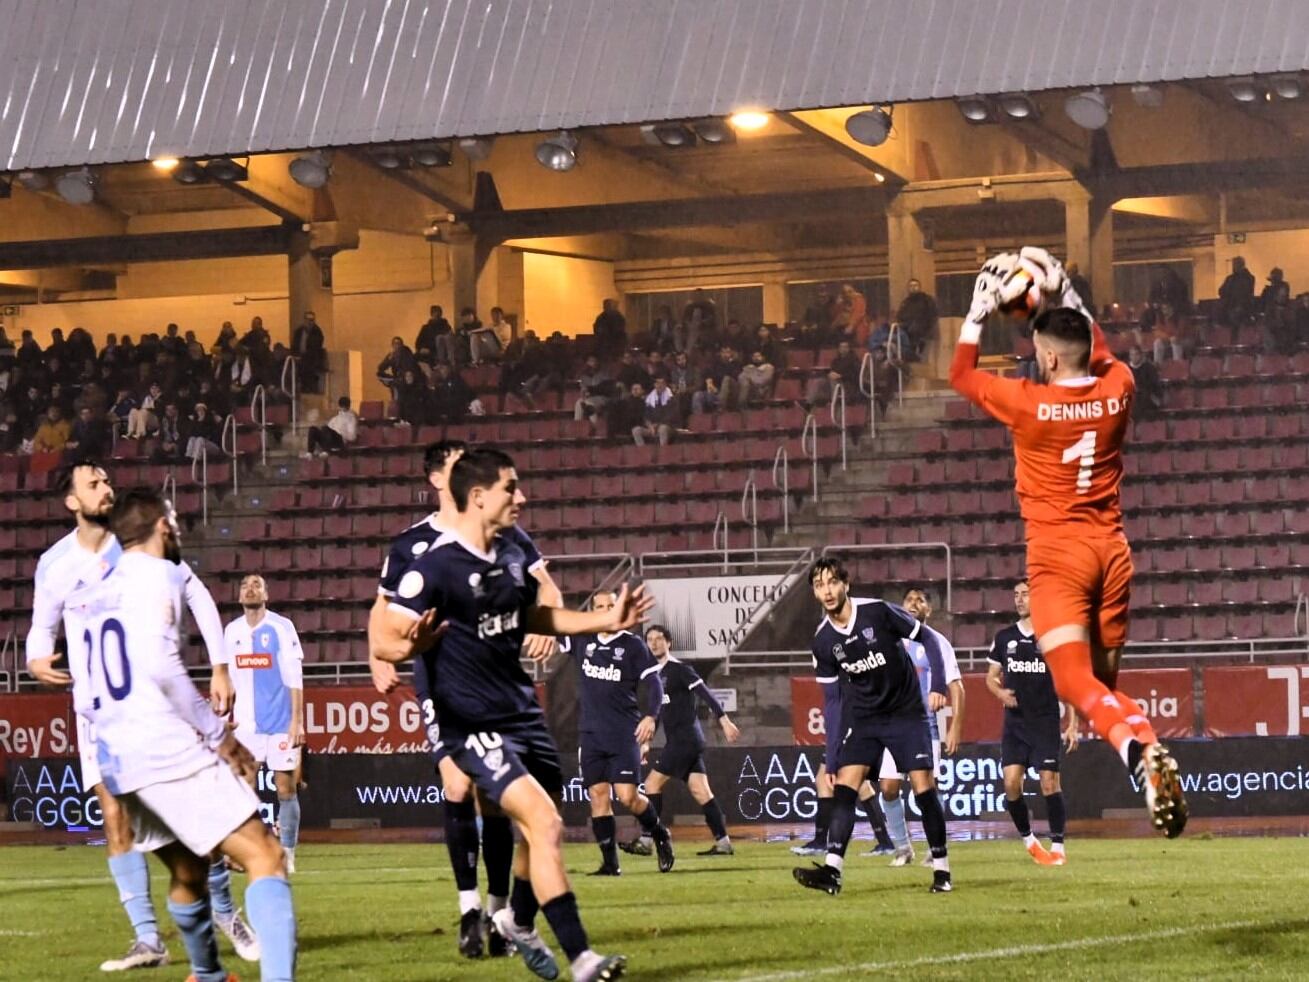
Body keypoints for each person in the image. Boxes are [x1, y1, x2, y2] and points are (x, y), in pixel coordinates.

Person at [375, 448, 651, 981]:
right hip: (470, 723)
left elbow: (534, 613)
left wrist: (601, 620)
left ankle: (517, 922)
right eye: (510, 487)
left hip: (521, 713)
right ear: (478, 498)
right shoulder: (433, 566)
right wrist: (411, 647)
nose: (521, 496)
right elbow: (385, 634)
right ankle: (581, 957)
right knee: (545, 821)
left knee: (537, 828)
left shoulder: (512, 552)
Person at [949, 246, 1187, 837]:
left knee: (1073, 683)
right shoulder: (1122, 387)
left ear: (1048, 356)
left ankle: (1138, 758)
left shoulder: (1029, 404)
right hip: (1113, 553)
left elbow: (960, 375)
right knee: (1101, 693)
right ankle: (1147, 754)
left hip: (1058, 559)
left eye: (1037, 348)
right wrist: (1066, 291)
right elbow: (1098, 350)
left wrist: (978, 311)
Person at [24, 462, 251, 971]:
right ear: (70, 501)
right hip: (97, 712)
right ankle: (148, 938)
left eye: (106, 482)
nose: (106, 490)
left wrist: (219, 666)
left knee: (192, 811)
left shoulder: (135, 543)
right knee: (115, 818)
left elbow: (195, 592)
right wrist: (36, 659)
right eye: (94, 484)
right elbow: (42, 630)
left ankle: (224, 913)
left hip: (156, 703)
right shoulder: (54, 563)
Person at [79, 488, 296, 982]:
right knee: (265, 854)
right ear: (161, 527)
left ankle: (208, 975)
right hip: (163, 747)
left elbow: (83, 696)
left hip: (118, 757)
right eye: (172, 522)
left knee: (188, 871)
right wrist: (218, 734)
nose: (176, 530)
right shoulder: (160, 574)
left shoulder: (97, 591)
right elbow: (160, 663)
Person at [366, 441, 563, 961]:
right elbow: (382, 609)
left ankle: (500, 912)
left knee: (494, 798)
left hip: (495, 677)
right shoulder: (412, 544)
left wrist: (549, 618)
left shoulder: (503, 536)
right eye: (454, 466)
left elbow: (547, 586)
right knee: (457, 783)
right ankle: (469, 909)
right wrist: (379, 655)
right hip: (441, 678)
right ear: (438, 480)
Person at [792, 557, 954, 895]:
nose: (827, 590)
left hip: (905, 712)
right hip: (864, 718)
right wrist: (832, 755)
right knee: (844, 789)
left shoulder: (878, 612)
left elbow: (929, 639)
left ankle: (941, 870)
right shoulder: (823, 642)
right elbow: (833, 701)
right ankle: (832, 872)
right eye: (820, 585)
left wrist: (938, 684)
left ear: (845, 585)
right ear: (814, 593)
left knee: (924, 790)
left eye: (833, 582)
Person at [558, 593, 674, 878]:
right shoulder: (582, 638)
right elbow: (553, 623)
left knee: (628, 797)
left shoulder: (632, 645)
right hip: (590, 734)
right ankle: (610, 864)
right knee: (597, 795)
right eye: (600, 607)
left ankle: (659, 834)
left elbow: (654, 683)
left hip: (623, 733)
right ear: (593, 610)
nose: (606, 611)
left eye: (611, 606)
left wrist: (650, 715)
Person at [627, 624, 740, 857]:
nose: (655, 643)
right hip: (684, 741)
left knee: (651, 785)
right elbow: (655, 714)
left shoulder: (680, 669)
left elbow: (706, 694)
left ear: (669, 643)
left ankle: (648, 840)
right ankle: (723, 842)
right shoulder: (653, 676)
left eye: (660, 638)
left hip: (685, 740)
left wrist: (724, 720)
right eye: (650, 639)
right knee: (701, 792)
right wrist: (646, 742)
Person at [987, 580, 1079, 866]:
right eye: (1016, 595)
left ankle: (1059, 846)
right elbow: (990, 677)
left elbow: (1070, 683)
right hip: (1015, 724)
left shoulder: (1052, 637)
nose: (1019, 599)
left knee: (1049, 783)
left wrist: (1073, 724)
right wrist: (1000, 691)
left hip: (1045, 721)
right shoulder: (1003, 637)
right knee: (1011, 784)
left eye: (1025, 594)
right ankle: (1029, 839)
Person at [224, 574, 306, 874]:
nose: (250, 589)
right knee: (244, 789)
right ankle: (247, 851)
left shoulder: (281, 627)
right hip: (246, 725)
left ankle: (287, 854)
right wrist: (224, 719)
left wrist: (297, 721)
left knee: (285, 789)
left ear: (266, 594)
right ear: (238, 596)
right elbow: (227, 678)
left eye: (256, 585)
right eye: (244, 585)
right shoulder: (231, 631)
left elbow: (295, 677)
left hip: (281, 723)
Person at [876, 588, 964, 867]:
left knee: (925, 788)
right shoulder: (889, 641)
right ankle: (903, 848)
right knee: (888, 788)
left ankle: (934, 847)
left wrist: (955, 728)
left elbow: (957, 688)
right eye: (909, 599)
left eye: (921, 600)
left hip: (924, 725)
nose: (914, 603)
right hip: (892, 722)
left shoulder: (937, 642)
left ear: (929, 610)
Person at [894, 278, 938, 361]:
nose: (913, 288)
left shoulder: (926, 300)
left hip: (922, 330)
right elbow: (900, 316)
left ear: (919, 287)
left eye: (915, 285)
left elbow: (933, 314)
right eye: (911, 286)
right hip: (907, 332)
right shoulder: (906, 303)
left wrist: (928, 328)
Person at [632, 376, 679, 447]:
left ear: (665, 385)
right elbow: (646, 416)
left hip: (668, 427)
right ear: (654, 385)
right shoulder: (650, 398)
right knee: (636, 430)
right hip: (653, 428)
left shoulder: (671, 399)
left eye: (661, 383)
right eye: (657, 383)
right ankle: (643, 452)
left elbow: (671, 417)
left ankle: (663, 453)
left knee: (662, 428)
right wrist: (650, 426)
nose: (659, 385)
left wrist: (657, 425)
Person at [290, 311, 325, 393]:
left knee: (310, 381)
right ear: (304, 320)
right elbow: (294, 345)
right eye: (308, 319)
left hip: (311, 362)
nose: (309, 322)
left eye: (312, 320)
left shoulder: (317, 332)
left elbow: (315, 348)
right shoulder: (299, 332)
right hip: (299, 360)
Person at [1217, 256, 1255, 327]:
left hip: (1243, 307)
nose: (1233, 267)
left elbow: (1245, 294)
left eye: (1235, 264)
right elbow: (1221, 291)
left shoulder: (1248, 278)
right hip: (1230, 306)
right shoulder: (1230, 278)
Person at [1127, 346, 1163, 417]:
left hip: (1148, 397)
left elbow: (1154, 385)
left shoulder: (1149, 368)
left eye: (1136, 354)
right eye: (1132, 355)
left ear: (1141, 355)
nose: (1134, 357)